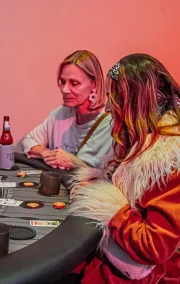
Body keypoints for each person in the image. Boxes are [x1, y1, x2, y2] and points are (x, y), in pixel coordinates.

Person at [69, 54, 180, 283]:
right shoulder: (138, 141)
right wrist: (96, 184)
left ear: (135, 101)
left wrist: (108, 205)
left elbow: (154, 247)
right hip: (112, 255)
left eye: (114, 98)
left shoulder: (168, 160)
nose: (108, 108)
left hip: (138, 274)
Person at [21, 50, 112, 170]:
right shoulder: (60, 114)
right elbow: (29, 141)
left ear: (94, 84)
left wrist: (73, 162)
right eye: (62, 82)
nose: (65, 90)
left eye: (74, 83)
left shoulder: (111, 124)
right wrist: (47, 153)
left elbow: (110, 176)